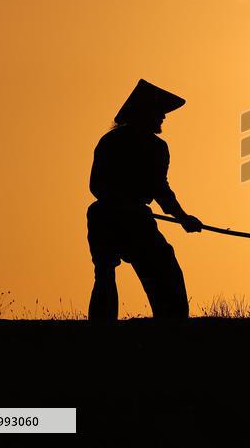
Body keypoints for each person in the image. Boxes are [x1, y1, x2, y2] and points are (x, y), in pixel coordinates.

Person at [86, 79, 203, 321]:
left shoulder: (143, 145)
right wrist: (182, 218)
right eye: (159, 112)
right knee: (115, 272)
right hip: (119, 218)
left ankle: (165, 324)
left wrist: (182, 218)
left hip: (116, 216)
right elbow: (98, 185)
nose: (163, 117)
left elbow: (160, 189)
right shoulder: (132, 145)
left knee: (111, 273)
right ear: (144, 112)